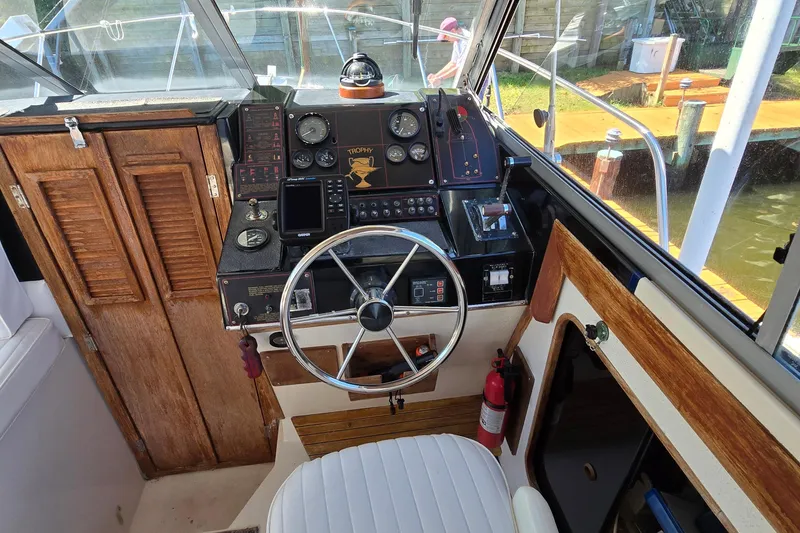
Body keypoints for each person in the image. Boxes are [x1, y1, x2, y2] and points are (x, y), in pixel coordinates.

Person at [427, 17, 470, 88]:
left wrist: (440, 79)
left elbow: (461, 67)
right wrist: (436, 76)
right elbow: (453, 63)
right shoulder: (457, 39)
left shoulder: (466, 41)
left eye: (445, 36)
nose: (445, 39)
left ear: (453, 31)